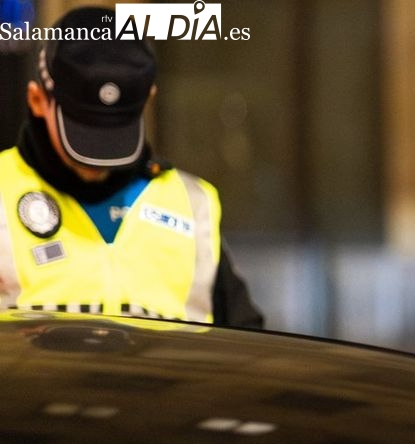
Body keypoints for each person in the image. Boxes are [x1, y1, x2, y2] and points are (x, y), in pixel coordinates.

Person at [0, 5, 263, 328]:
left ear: (148, 98)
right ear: (38, 100)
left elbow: (245, 348)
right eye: (84, 128)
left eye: (115, 127)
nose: (98, 161)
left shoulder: (193, 205)